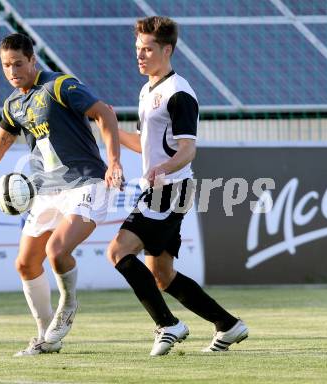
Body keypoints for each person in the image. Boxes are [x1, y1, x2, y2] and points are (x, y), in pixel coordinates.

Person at [0, 33, 123, 356]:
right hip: (47, 192)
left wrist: (113, 162)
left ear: (32, 60)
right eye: (6, 65)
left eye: (18, 63)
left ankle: (68, 305)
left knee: (57, 251)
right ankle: (44, 336)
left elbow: (105, 114)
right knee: (26, 264)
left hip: (86, 184)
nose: (12, 70)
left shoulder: (60, 85)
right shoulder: (13, 104)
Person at [107, 16, 248, 356]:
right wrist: (107, 125)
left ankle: (168, 325)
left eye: (147, 49)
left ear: (166, 49)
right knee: (162, 274)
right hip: (163, 186)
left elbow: (188, 149)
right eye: (138, 49)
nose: (139, 56)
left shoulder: (178, 93)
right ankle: (228, 325)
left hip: (170, 189)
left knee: (118, 251)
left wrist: (163, 168)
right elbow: (145, 143)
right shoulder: (148, 90)